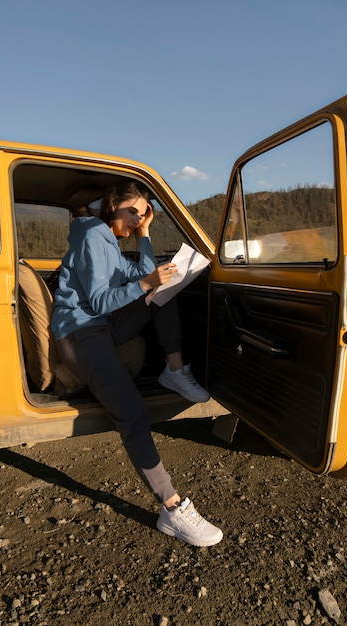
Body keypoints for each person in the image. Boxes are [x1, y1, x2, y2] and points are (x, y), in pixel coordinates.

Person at [51, 180, 223, 547]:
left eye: (144, 213)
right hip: (80, 333)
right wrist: (145, 283)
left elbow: (143, 276)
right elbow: (98, 302)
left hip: (103, 326)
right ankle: (173, 510)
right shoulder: (92, 236)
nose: (138, 217)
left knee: (165, 291)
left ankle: (174, 371)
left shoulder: (111, 242)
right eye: (134, 210)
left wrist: (145, 237)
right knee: (132, 414)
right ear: (113, 205)